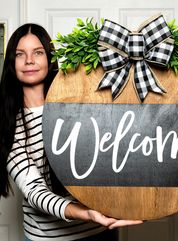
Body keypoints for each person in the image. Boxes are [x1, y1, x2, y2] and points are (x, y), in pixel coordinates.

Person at [0, 23, 142, 241]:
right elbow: (35, 192)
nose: (29, 60)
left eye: (37, 52)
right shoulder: (9, 123)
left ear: (49, 58)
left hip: (101, 231)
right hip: (48, 238)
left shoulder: (78, 104)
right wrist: (85, 213)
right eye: (20, 54)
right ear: (11, 62)